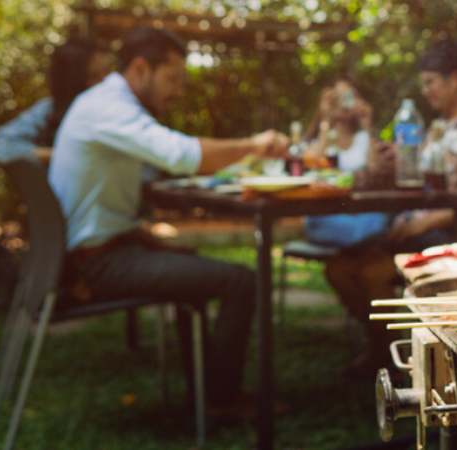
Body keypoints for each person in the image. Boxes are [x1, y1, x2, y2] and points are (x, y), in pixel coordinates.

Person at [48, 25, 289, 418]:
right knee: (240, 280)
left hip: (101, 252)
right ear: (141, 68)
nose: (178, 91)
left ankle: (208, 394)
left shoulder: (105, 103)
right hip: (97, 266)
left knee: (192, 267)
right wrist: (252, 146)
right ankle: (222, 399)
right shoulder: (110, 107)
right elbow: (180, 155)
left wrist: (153, 242)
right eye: (173, 78)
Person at [324, 39, 457, 380]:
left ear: (455, 79)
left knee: (372, 272)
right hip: (416, 227)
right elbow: (417, 180)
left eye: (430, 82)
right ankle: (384, 347)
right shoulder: (435, 128)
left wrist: (425, 223)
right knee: (338, 268)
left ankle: (403, 366)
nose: (425, 91)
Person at [0, 37, 110, 164]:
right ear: (73, 80)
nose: (105, 82)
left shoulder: (115, 107)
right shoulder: (50, 109)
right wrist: (58, 156)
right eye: (94, 76)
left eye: (107, 72)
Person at [302, 78, 374, 172]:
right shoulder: (315, 141)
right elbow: (313, 166)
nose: (343, 102)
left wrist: (367, 124)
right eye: (338, 96)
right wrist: (325, 118)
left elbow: (375, 168)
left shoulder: (363, 138)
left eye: (348, 96)